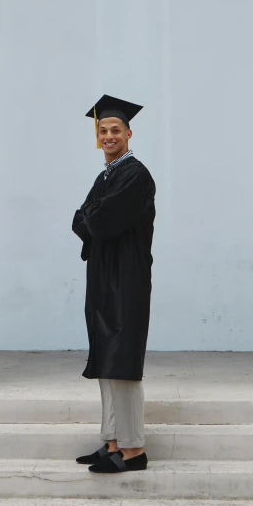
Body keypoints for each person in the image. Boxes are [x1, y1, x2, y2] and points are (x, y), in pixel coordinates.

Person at [72, 95, 156, 473]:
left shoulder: (136, 174)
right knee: (106, 358)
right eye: (103, 130)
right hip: (104, 277)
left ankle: (134, 449)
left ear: (128, 133)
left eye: (115, 130)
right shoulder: (105, 176)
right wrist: (93, 215)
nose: (109, 136)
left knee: (122, 362)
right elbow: (80, 220)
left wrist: (93, 215)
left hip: (127, 279)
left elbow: (101, 221)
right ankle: (111, 441)